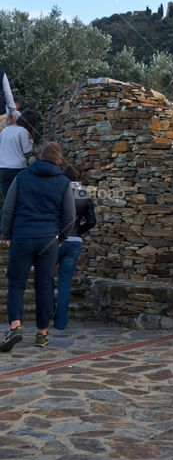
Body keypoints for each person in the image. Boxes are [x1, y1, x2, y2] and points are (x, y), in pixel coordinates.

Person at [0, 142, 74, 352]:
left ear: (39, 156)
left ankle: (15, 326)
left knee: (16, 284)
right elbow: (69, 216)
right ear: (59, 161)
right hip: (49, 240)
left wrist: (7, 234)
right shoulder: (63, 182)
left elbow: (8, 209)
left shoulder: (21, 177)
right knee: (44, 286)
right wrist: (61, 238)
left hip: (22, 235)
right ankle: (41, 334)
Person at [54, 163, 96, 331]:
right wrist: (80, 232)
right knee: (65, 282)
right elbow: (92, 221)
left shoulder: (58, 193)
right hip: (75, 241)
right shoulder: (83, 195)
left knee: (47, 278)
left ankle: (48, 310)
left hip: (55, 241)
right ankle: (61, 322)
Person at [0, 113, 35, 202]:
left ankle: (5, 215)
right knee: (19, 199)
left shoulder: (5, 130)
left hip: (3, 168)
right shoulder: (23, 131)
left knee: (7, 199)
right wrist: (31, 140)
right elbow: (27, 152)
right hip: (17, 168)